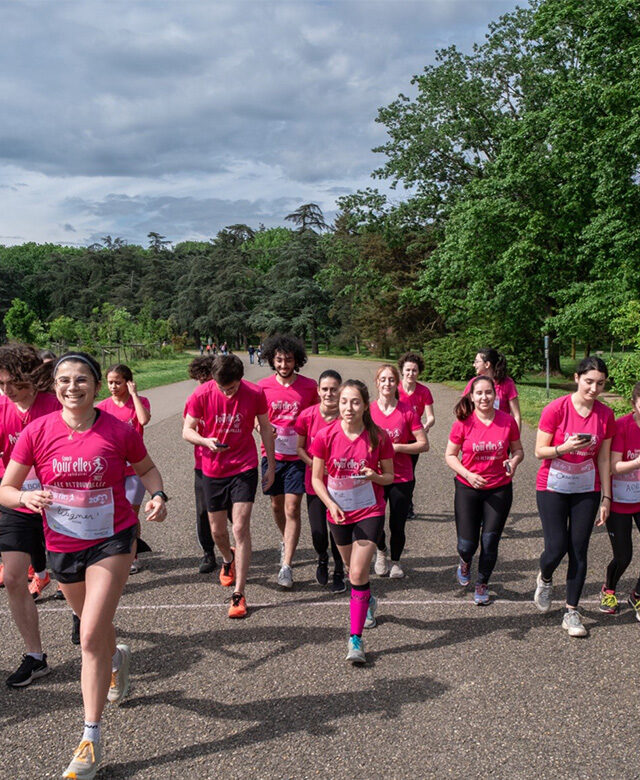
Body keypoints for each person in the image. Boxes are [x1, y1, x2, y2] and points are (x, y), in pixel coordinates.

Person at [0, 351, 167, 778]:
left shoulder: (119, 428)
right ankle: (117, 661)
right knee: (92, 624)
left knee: (90, 632)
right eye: (63, 381)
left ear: (95, 385)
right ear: (53, 387)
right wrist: (24, 498)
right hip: (63, 545)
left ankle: (90, 738)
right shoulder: (36, 431)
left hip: (112, 539)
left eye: (80, 380)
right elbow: (6, 488)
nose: (72, 387)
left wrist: (158, 495)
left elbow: (147, 469)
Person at [183, 354, 276, 618]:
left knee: (240, 526)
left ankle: (239, 593)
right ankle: (227, 559)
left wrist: (270, 464)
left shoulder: (255, 393)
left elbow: (266, 429)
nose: (227, 393)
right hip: (212, 469)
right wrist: (205, 441)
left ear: (241, 379)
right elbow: (186, 431)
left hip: (244, 466)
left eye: (232, 388)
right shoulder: (201, 395)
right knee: (217, 531)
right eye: (222, 388)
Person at [310, 379, 394, 664]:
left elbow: (390, 477)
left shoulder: (378, 437)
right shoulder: (324, 435)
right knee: (349, 569)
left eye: (355, 402)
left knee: (358, 574)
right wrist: (331, 504)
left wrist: (374, 476)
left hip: (370, 509)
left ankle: (355, 640)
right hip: (338, 512)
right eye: (344, 401)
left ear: (365, 405)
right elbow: (316, 479)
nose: (348, 407)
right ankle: (367, 599)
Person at [533, 356, 614, 637]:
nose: (594, 388)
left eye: (600, 384)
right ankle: (545, 577)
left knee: (579, 548)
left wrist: (606, 498)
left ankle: (571, 611)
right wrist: (563, 447)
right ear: (577, 378)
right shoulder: (556, 409)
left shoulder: (605, 415)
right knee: (556, 547)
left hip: (586, 489)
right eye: (589, 381)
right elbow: (539, 451)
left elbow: (604, 459)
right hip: (552, 486)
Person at [0, 344, 60, 687]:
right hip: (15, 498)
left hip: (60, 499)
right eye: (2, 383)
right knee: (12, 578)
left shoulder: (56, 406)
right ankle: (35, 657)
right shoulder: (1, 407)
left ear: (34, 380)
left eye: (14, 384)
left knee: (73, 581)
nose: (7, 391)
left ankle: (94, 633)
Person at [445, 376, 523, 604]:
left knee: (490, 542)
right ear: (471, 397)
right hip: (468, 487)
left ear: (495, 395)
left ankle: (482, 582)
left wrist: (513, 462)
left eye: (488, 392)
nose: (484, 397)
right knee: (467, 545)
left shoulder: (507, 421)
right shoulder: (463, 422)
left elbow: (518, 451)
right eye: (479, 393)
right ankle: (465, 562)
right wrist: (468, 474)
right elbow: (450, 455)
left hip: (499, 489)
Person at [258, 334, 318, 588]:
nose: (284, 365)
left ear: (297, 361)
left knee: (292, 508)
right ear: (272, 359)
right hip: (271, 455)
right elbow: (255, 417)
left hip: (298, 456)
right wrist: (261, 428)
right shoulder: (262, 387)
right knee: (276, 505)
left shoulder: (308, 386)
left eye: (289, 360)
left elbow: (317, 415)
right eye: (279, 360)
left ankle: (287, 566)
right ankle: (286, 539)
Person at [370, 364, 428, 578]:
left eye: (391, 380)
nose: (387, 383)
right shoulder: (368, 411)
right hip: (374, 476)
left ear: (397, 383)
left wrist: (396, 447)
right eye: (383, 379)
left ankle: (396, 561)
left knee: (397, 523)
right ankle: (381, 551)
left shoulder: (407, 411)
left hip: (401, 475)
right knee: (374, 521)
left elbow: (423, 444)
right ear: (377, 382)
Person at [96, 364, 151, 575]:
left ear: (128, 382)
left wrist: (134, 394)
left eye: (118, 382)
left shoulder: (140, 402)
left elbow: (144, 420)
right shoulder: (102, 407)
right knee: (110, 512)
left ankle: (133, 555)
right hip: (112, 469)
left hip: (135, 468)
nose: (113, 386)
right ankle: (115, 553)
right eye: (110, 382)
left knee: (130, 513)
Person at [295, 369, 345, 592]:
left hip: (340, 484)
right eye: (325, 389)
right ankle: (322, 557)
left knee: (338, 529)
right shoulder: (307, 416)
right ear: (318, 391)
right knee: (318, 532)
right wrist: (316, 466)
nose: (329, 393)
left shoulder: (348, 417)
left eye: (334, 389)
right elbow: (299, 448)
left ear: (340, 391)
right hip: (314, 481)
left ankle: (339, 569)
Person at [600, 381, 640, 617]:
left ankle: (637, 595)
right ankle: (609, 589)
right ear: (633, 404)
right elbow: (613, 466)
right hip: (620, 500)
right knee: (624, 555)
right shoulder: (622, 426)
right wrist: (637, 462)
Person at [185, 355, 218, 574]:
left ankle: (236, 546)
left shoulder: (224, 395)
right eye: (200, 378)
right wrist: (205, 441)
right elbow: (188, 430)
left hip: (231, 464)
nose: (204, 382)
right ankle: (208, 552)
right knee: (203, 511)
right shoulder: (194, 399)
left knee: (235, 512)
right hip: (204, 463)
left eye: (208, 377)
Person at [398, 351, 435, 518]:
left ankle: (408, 504)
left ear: (418, 372)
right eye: (407, 370)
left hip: (414, 439)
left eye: (414, 370)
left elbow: (431, 417)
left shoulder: (424, 391)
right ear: (402, 371)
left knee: (409, 472)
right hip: (396, 437)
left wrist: (425, 426)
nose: (410, 374)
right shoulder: (394, 389)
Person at [464, 348, 521, 430]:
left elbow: (516, 415)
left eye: (477, 361)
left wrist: (516, 439)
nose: (474, 365)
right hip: (478, 432)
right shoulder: (473, 383)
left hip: (501, 431)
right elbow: (464, 410)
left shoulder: (507, 383)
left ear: (487, 364)